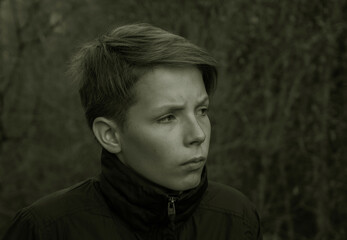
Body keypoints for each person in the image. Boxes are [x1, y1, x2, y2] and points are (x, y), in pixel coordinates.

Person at [2, 23, 262, 240]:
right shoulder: (46, 230)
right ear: (111, 135)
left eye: (202, 111)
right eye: (168, 117)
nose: (198, 135)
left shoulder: (236, 218)